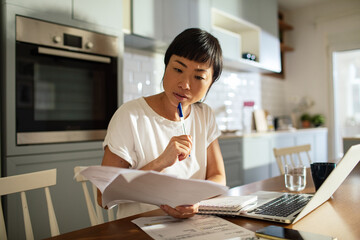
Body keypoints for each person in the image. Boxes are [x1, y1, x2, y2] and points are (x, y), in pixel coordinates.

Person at [98, 28, 226, 219]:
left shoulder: (204, 115)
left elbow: (218, 177)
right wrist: (160, 162)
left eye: (198, 76)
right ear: (166, 66)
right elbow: (104, 197)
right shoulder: (130, 115)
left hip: (193, 226)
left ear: (211, 82)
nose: (185, 84)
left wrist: (196, 203)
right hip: (140, 228)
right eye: (178, 69)